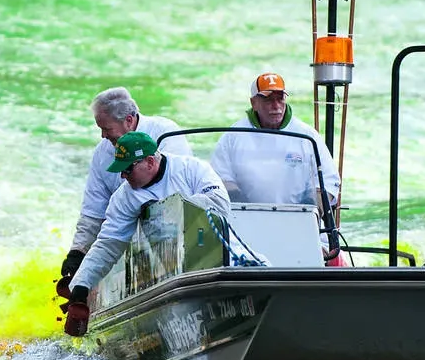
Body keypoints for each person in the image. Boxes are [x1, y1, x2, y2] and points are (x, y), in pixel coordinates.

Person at [62, 131, 230, 336]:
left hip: (217, 258)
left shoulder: (193, 168)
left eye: (127, 169)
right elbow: (108, 244)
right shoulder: (123, 198)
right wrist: (81, 285)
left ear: (150, 162)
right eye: (120, 171)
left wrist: (163, 210)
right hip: (166, 274)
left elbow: (219, 204)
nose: (123, 176)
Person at [55, 87, 191, 298]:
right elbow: (94, 211)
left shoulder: (165, 133)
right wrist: (77, 252)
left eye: (106, 128)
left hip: (173, 236)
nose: (102, 135)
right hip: (121, 236)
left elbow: (175, 189)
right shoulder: (102, 153)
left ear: (129, 120)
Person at [210, 71, 340, 210]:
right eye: (268, 100)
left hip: (299, 220)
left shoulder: (308, 136)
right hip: (246, 220)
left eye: (280, 99)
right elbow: (219, 177)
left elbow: (329, 180)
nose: (276, 106)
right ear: (253, 103)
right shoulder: (233, 136)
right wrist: (241, 204)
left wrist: (311, 206)